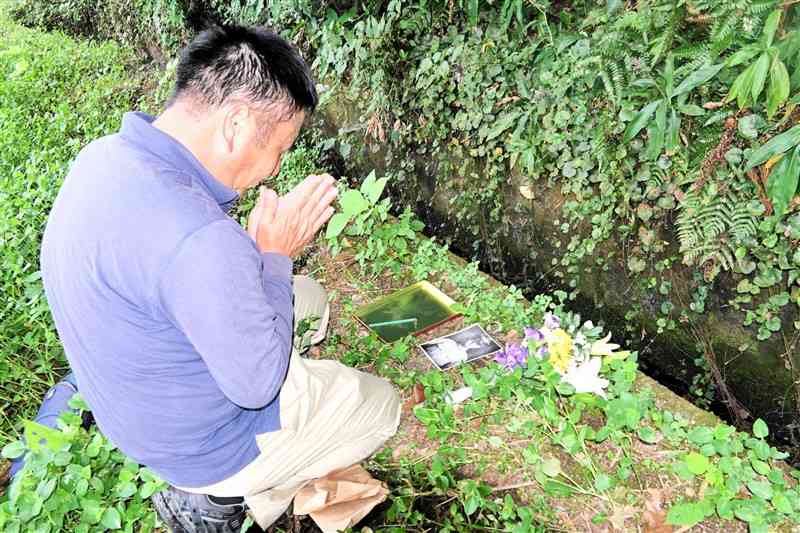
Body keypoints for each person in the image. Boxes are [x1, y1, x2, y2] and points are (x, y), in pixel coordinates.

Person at [39, 24, 401, 532]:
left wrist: (248, 263)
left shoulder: (103, 157)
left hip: (137, 403)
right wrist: (275, 256)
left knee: (310, 299)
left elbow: (180, 266)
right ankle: (219, 501)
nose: (276, 167)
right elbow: (256, 387)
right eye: (281, 146)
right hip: (204, 445)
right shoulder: (201, 239)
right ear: (235, 124)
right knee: (381, 405)